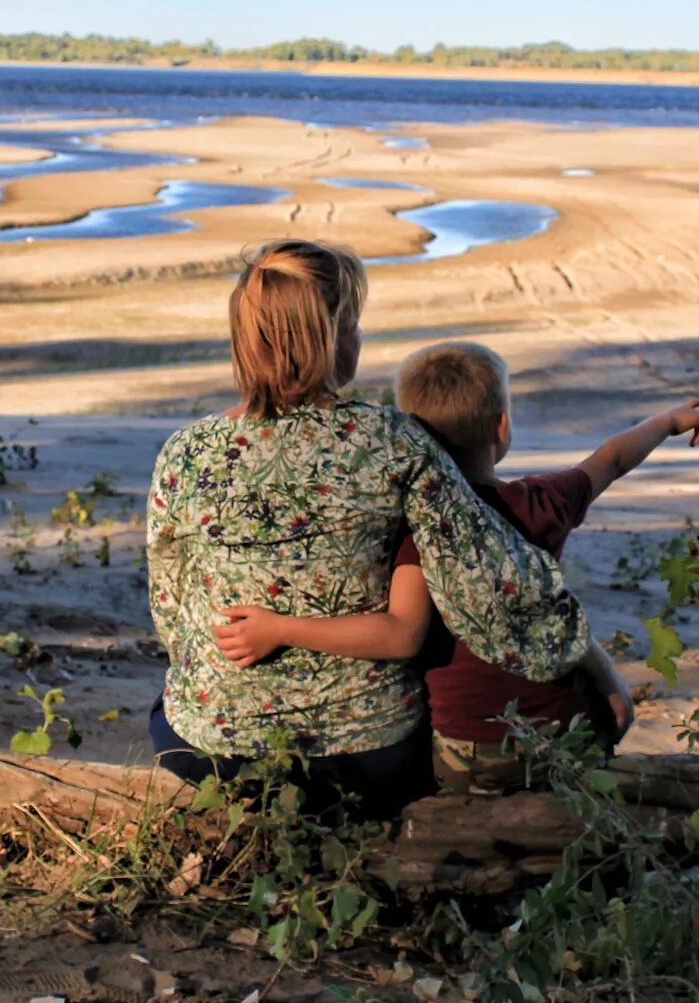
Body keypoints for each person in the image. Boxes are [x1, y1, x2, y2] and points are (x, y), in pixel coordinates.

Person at [146, 241, 592, 820]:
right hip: (369, 756)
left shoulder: (184, 453)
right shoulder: (394, 441)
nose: (360, 338)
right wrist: (583, 659)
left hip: (209, 752)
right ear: (330, 336)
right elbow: (490, 583)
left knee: (168, 708)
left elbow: (171, 613)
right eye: (354, 323)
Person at [213, 340, 699, 794]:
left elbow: (395, 632)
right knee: (594, 731)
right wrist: (667, 421)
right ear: (502, 428)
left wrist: (278, 628)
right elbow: (612, 458)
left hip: (463, 749)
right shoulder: (542, 501)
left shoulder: (413, 530)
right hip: (560, 730)